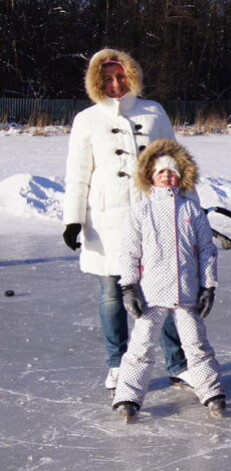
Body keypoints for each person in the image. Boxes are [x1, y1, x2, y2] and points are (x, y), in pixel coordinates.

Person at [62, 48, 192, 392]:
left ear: (131, 75)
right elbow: (77, 174)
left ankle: (177, 363)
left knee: (161, 291)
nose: (115, 83)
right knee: (110, 292)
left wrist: (189, 208)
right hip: (106, 220)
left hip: (154, 216)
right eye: (107, 78)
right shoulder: (87, 120)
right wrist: (72, 219)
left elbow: (177, 164)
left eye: (120, 76)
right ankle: (117, 363)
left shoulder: (154, 112)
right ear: (96, 82)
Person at [111, 139, 225, 419]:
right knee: (141, 346)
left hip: (187, 293)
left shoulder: (191, 210)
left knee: (197, 344)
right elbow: (128, 252)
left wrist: (208, 287)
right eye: (161, 172)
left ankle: (210, 390)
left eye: (172, 172)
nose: (167, 176)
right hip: (151, 294)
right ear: (151, 176)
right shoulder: (141, 211)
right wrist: (129, 287)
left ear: (181, 177)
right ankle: (128, 395)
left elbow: (207, 251)